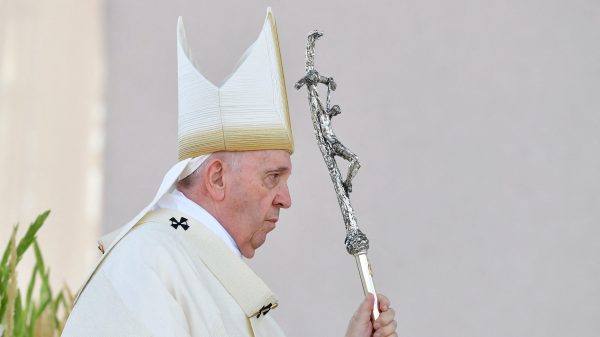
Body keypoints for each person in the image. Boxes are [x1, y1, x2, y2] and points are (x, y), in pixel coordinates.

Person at [61, 8, 397, 337]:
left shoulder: (212, 276)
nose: (286, 199)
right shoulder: (146, 264)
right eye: (272, 177)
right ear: (218, 178)